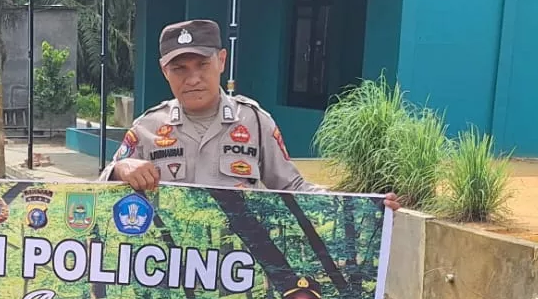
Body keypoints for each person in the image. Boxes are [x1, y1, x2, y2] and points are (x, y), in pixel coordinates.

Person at [103, 19, 398, 209]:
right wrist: (120, 169)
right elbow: (98, 192)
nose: (192, 78)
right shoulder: (147, 128)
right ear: (164, 71)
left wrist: (364, 206)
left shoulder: (255, 122)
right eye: (179, 68)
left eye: (202, 65)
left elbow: (293, 187)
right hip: (169, 269)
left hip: (238, 272)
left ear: (221, 61)